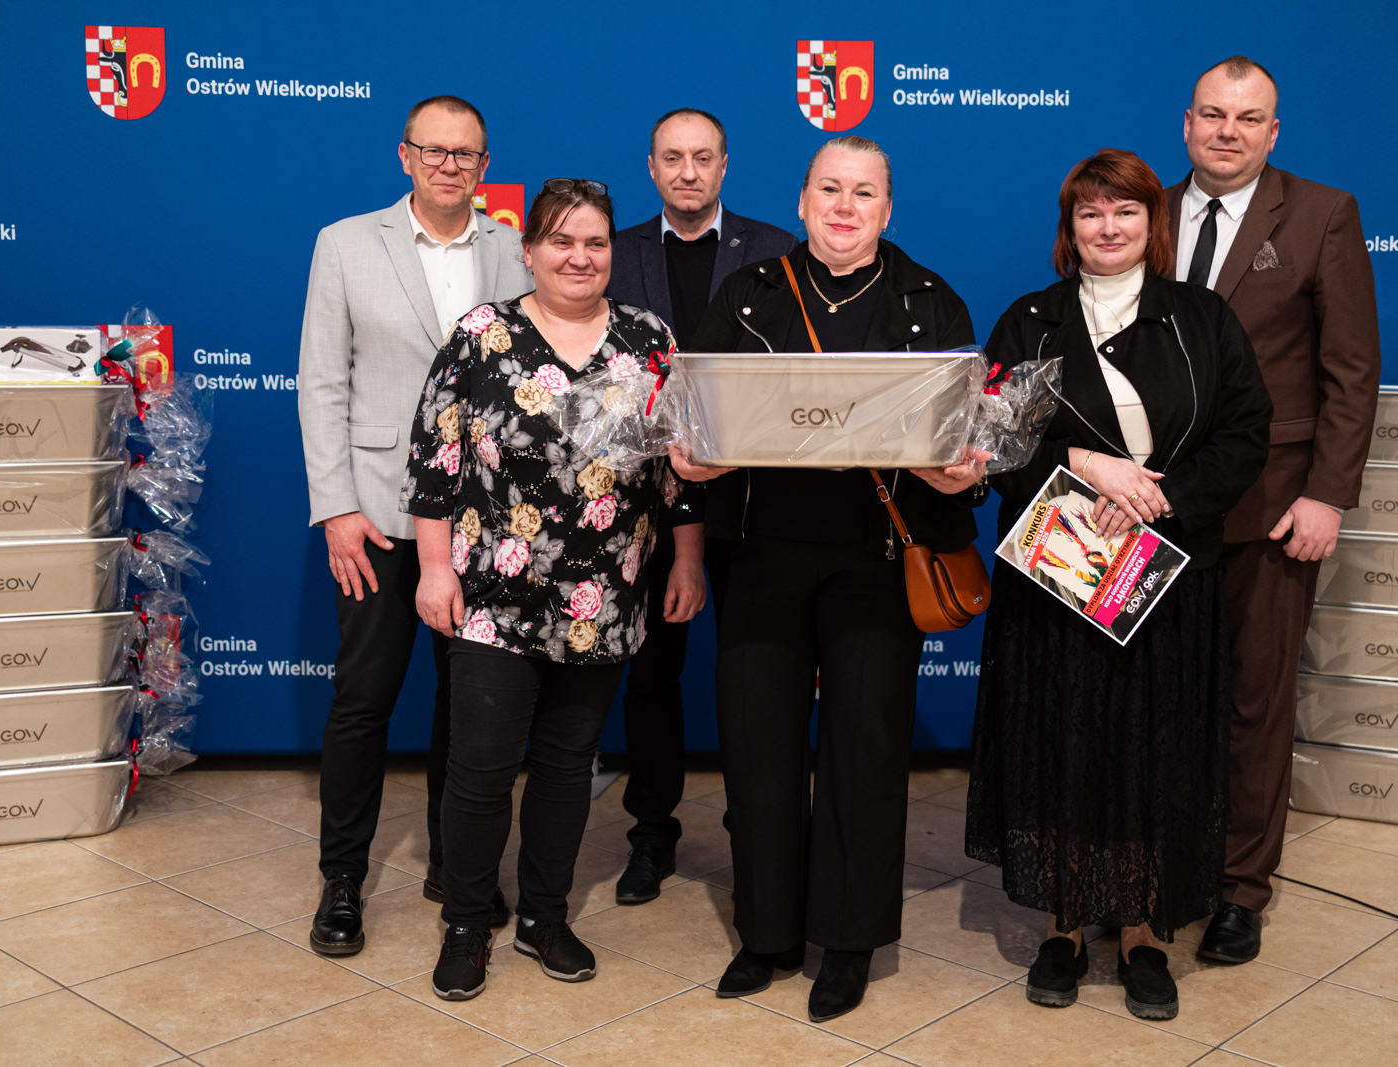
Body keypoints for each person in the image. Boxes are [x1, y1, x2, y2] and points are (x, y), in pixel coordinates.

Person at [966, 148, 1272, 1021]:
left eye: (1125, 211)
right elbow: (995, 443)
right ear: (1070, 228)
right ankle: (1063, 926)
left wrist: (1161, 498)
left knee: (1154, 750)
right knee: (1061, 743)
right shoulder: (1030, 322)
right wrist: (1084, 464)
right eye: (1091, 213)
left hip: (1166, 575)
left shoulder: (1202, 317)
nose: (1109, 227)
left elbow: (1247, 431)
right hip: (1059, 578)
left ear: (1151, 222)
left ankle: (1141, 932)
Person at [689, 136, 988, 1023]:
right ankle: (767, 933)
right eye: (830, 189)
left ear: (888, 210)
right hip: (762, 552)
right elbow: (693, 418)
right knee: (758, 745)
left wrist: (960, 473)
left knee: (865, 749)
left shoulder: (929, 301)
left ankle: (849, 942)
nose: (845, 207)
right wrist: (691, 455)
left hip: (877, 559)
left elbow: (965, 442)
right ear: (802, 200)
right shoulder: (748, 294)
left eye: (864, 193)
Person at [401, 179, 709, 1000]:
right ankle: (467, 922)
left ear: (612, 252)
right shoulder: (482, 336)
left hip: (603, 597)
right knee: (481, 769)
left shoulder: (649, 340)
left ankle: (544, 915)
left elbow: (679, 472)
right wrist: (435, 567)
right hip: (492, 596)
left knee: (569, 766)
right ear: (529, 249)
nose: (580, 257)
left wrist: (687, 559)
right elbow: (435, 462)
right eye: (562, 241)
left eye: (595, 242)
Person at [297, 95, 531, 957]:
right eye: (433, 151)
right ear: (405, 156)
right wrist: (337, 508)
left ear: (484, 163)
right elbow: (322, 382)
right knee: (364, 698)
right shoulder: (345, 243)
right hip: (379, 515)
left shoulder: (514, 248)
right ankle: (342, 880)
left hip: (484, 521)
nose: (448, 166)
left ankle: (454, 865)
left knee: (469, 708)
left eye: (465, 154)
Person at [1165, 57, 1381, 965]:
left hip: (1274, 506)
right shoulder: (1143, 213)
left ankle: (1238, 890)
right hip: (1156, 509)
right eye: (1213, 115)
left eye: (1248, 118)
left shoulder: (1324, 214)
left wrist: (1327, 493)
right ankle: (1163, 869)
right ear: (1187, 124)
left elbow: (1351, 370)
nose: (1228, 132)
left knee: (1256, 702)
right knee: (1163, 699)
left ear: (1274, 131)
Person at [603, 107, 796, 906]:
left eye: (703, 157)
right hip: (645, 504)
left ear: (724, 166)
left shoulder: (778, 250)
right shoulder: (614, 254)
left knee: (759, 676)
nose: (688, 172)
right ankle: (651, 834)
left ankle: (762, 838)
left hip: (755, 498)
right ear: (651, 167)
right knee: (652, 675)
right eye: (673, 158)